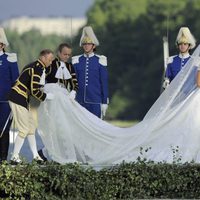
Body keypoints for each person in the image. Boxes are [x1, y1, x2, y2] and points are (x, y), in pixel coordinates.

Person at [37, 45, 200, 166]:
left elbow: (101, 81)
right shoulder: (71, 62)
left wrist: (103, 100)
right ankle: (53, 152)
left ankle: (58, 152)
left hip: (91, 100)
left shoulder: (96, 61)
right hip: (74, 100)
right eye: (64, 54)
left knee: (92, 129)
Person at [8, 49, 54, 163]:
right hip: (18, 98)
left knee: (31, 127)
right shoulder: (37, 68)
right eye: (49, 59)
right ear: (43, 58)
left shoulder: (35, 66)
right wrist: (45, 97)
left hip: (22, 98)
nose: (51, 62)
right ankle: (14, 156)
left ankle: (35, 156)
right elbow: (34, 90)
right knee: (24, 129)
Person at [38, 43, 78, 161]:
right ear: (59, 53)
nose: (66, 57)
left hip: (64, 99)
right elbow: (42, 79)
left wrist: (73, 92)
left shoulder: (70, 66)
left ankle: (46, 153)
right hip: (52, 99)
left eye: (69, 55)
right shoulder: (51, 63)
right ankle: (49, 153)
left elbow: (75, 83)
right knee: (56, 128)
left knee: (65, 128)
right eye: (64, 54)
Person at [72, 26, 109, 118]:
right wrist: (72, 93)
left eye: (89, 44)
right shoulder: (76, 61)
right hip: (79, 101)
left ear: (94, 46)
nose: (86, 46)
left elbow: (104, 83)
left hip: (95, 101)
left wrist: (104, 102)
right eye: (84, 44)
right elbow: (73, 81)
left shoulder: (100, 60)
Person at [0, 27, 19, 162]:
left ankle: (2, 159)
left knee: (4, 130)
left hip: (5, 101)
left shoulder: (10, 59)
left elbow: (16, 82)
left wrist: (14, 101)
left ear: (2, 45)